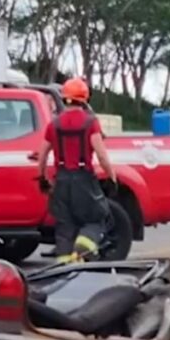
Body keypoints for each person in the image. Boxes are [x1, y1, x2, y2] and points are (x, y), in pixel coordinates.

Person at [34, 77, 118, 263]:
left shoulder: (54, 125)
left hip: (61, 181)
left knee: (65, 227)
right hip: (84, 180)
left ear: (64, 98)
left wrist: (42, 178)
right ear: (85, 99)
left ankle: (64, 268)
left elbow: (42, 155)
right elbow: (101, 155)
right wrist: (112, 177)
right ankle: (83, 248)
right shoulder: (90, 123)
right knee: (96, 218)